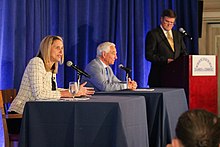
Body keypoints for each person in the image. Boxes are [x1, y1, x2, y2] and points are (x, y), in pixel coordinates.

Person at [9, 35, 94, 114]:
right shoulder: (36, 62)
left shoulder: (51, 67)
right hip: (20, 114)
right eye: (57, 48)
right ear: (47, 49)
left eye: (62, 48)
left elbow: (51, 91)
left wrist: (74, 91)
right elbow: (39, 94)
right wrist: (68, 93)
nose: (61, 52)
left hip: (36, 113)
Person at [145, 9, 188, 87]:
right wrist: (165, 60)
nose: (169, 25)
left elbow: (183, 52)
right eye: (167, 21)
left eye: (172, 23)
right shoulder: (153, 34)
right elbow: (149, 55)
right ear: (161, 19)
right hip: (159, 76)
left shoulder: (177, 35)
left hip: (176, 78)